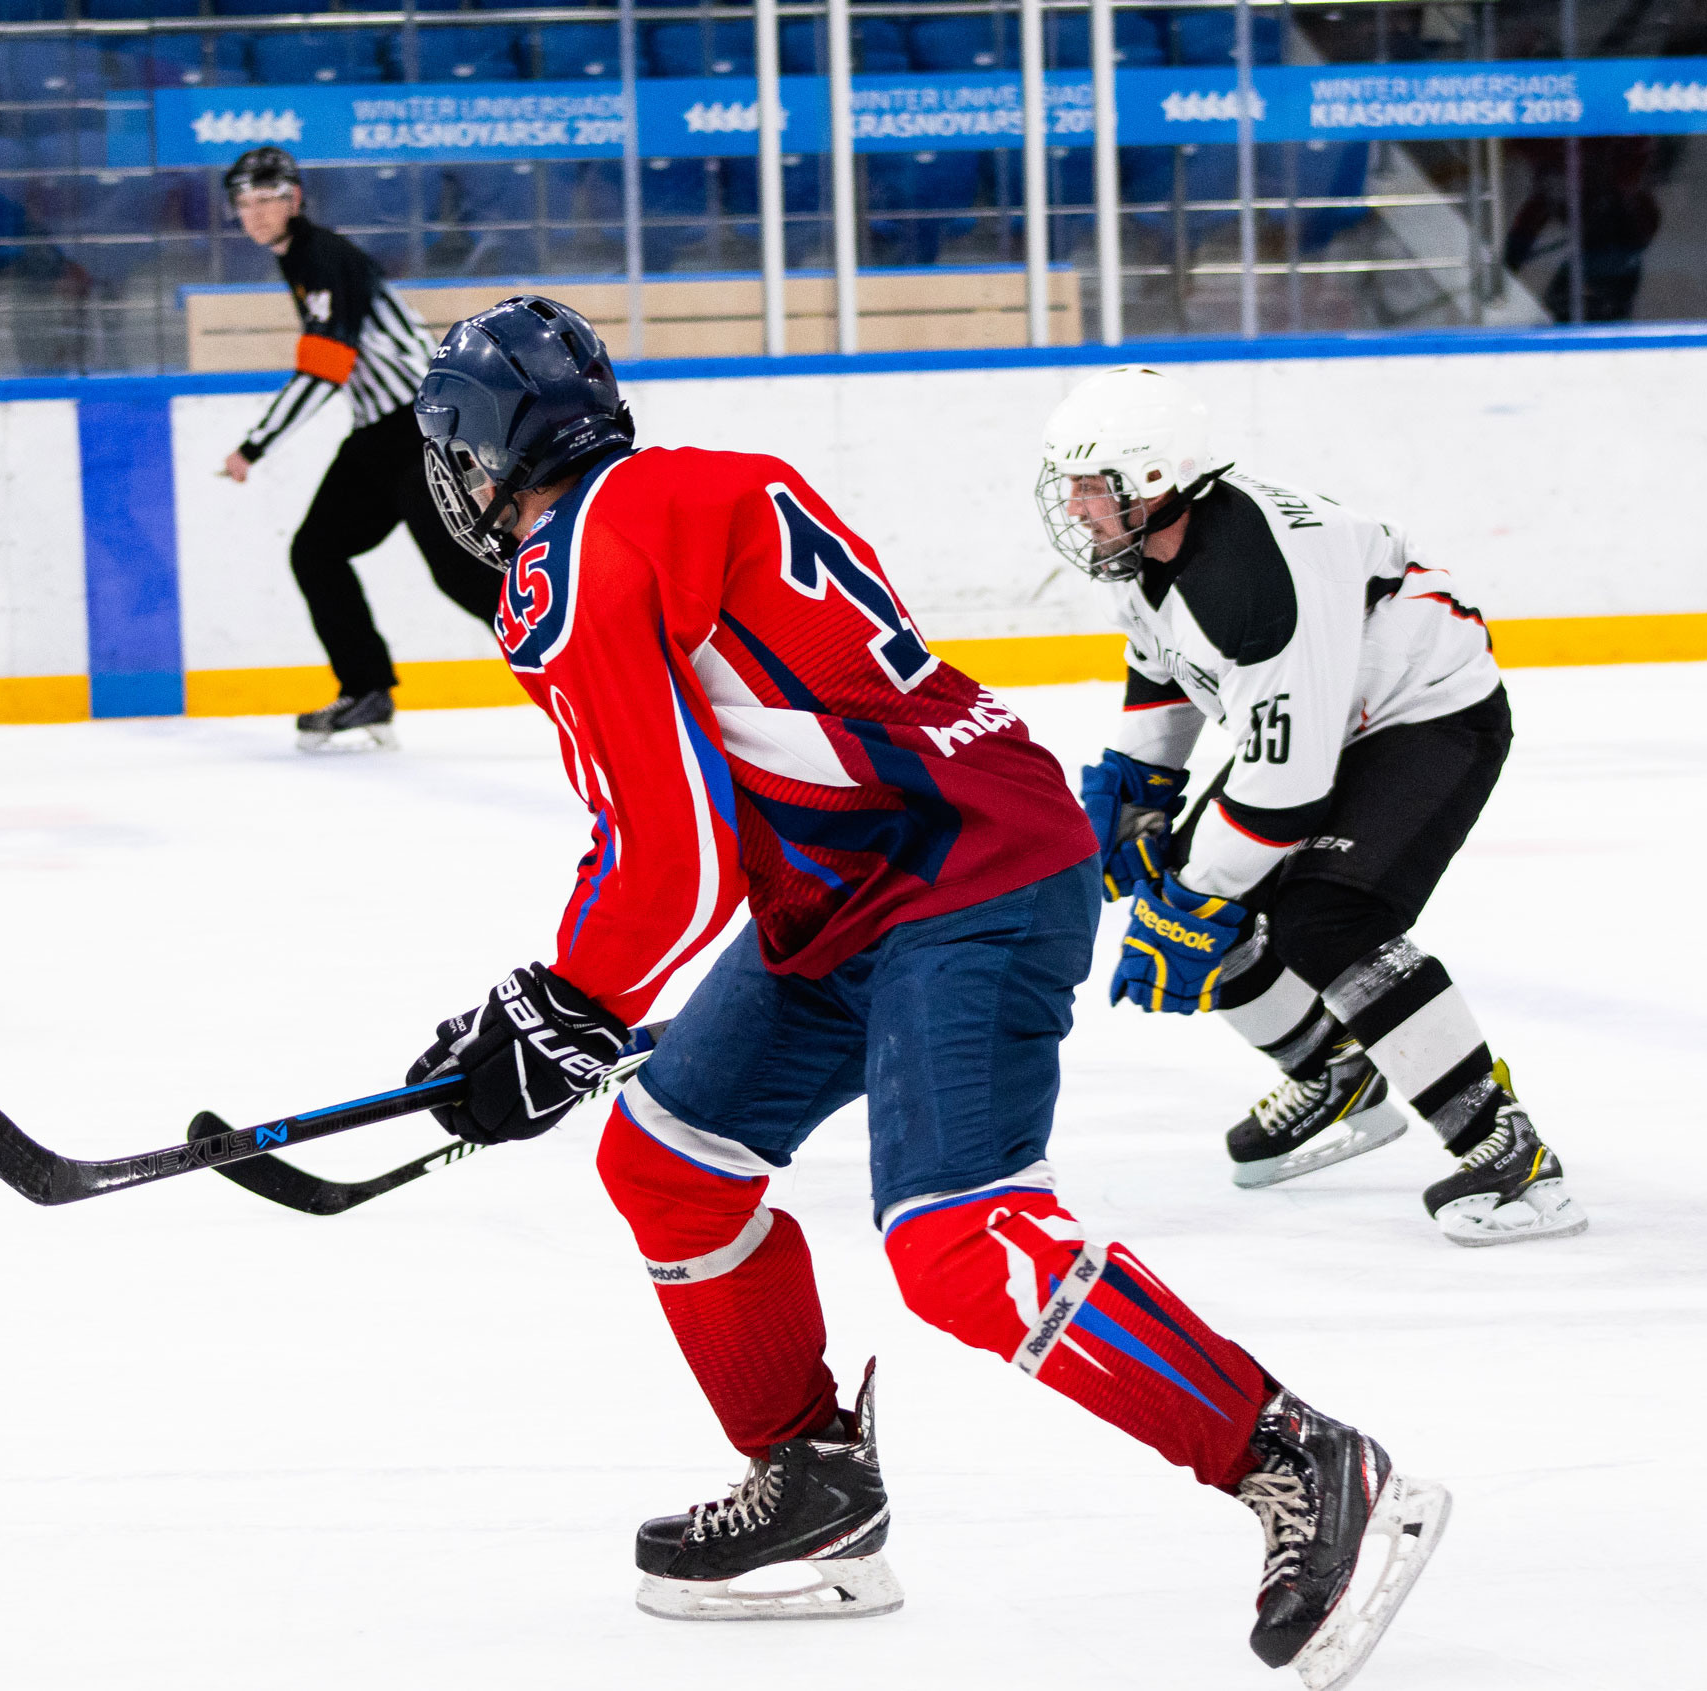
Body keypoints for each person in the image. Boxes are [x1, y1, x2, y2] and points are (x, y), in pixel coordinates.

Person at [402, 298, 1448, 1682]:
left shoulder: (571, 561)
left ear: (484, 451)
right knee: (667, 1160)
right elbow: (786, 764)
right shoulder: (717, 480)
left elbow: (670, 846)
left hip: (967, 881)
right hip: (868, 883)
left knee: (957, 1236)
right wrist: (553, 1013)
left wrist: (562, 1000)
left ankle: (1299, 1460)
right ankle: (815, 1490)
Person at [1037, 366, 1588, 1247]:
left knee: (1326, 917)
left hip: (1427, 714)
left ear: (1152, 480)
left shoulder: (1256, 581)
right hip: (1338, 720)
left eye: (1090, 485)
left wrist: (1193, 900)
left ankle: (1504, 1145)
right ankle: (1332, 1073)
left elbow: (1282, 797)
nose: (1073, 504)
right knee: (1180, 882)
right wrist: (1140, 793)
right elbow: (1164, 666)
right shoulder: (1147, 546)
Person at [217, 146, 503, 750]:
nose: (255, 213)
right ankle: (366, 690)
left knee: (460, 572)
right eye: (244, 203)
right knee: (315, 551)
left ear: (294, 200)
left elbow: (324, 367)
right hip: (383, 432)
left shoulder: (322, 256)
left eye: (266, 199)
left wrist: (255, 445)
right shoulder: (301, 258)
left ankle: (581, 664)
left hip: (418, 430)